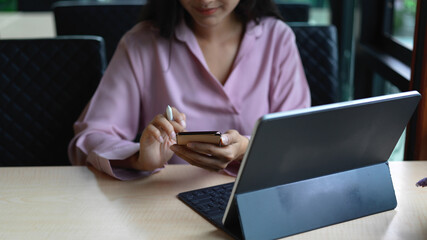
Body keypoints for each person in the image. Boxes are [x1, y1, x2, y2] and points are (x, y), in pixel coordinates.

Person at [68, 0, 311, 180]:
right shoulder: (141, 43)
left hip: (256, 199)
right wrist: (139, 159)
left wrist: (246, 149)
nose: (204, 1)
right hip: (160, 206)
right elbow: (89, 138)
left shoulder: (277, 39)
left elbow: (298, 140)